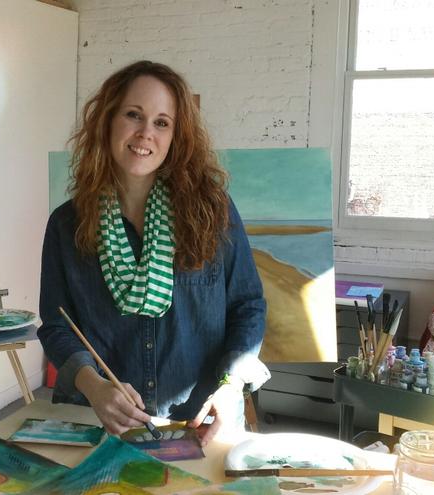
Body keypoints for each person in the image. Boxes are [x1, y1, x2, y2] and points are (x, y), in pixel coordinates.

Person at [38, 60, 268, 445]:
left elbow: (248, 306)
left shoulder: (213, 212)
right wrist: (93, 386)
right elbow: (57, 325)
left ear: (177, 136)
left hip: (201, 422)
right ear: (108, 121)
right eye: (133, 114)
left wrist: (231, 388)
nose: (146, 132)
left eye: (162, 122)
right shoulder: (67, 225)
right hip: (107, 424)